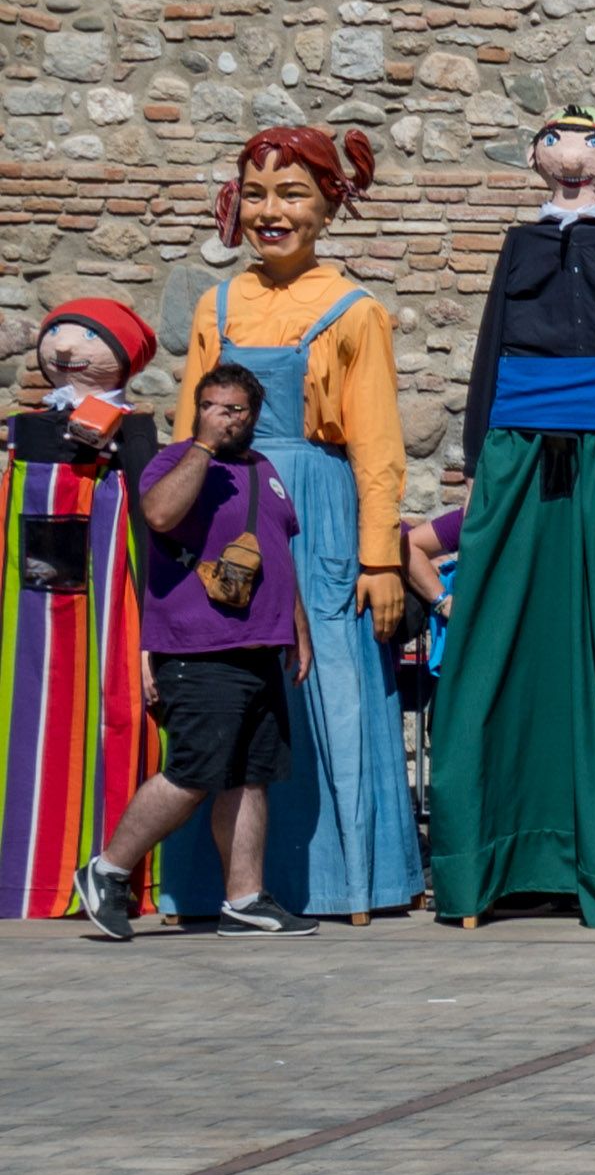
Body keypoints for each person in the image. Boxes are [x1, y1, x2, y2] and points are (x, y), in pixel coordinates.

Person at [430, 108, 595, 928]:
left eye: (592, 146)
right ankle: (492, 860)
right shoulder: (521, 242)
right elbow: (489, 350)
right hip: (518, 446)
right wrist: (478, 466)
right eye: (558, 144)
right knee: (502, 635)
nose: (572, 160)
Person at [163, 126, 412, 923]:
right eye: (259, 193)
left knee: (325, 681)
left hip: (316, 515)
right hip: (223, 510)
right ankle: (216, 886)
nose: (272, 212)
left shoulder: (354, 311)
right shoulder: (218, 304)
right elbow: (185, 435)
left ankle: (344, 883)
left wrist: (378, 559)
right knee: (228, 682)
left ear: (331, 205)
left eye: (294, 193)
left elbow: (377, 447)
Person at [79, 369, 307, 935]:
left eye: (235, 409)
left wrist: (297, 628)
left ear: (253, 414)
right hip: (200, 649)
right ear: (199, 409)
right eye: (213, 406)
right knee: (193, 773)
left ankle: (244, 899)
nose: (225, 417)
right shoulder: (174, 461)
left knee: (250, 776)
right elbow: (157, 516)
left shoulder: (266, 471)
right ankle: (107, 870)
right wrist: (203, 446)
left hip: (258, 650)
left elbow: (278, 553)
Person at [9, 299, 156, 922]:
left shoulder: (131, 427)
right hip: (29, 597)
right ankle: (24, 874)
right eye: (56, 337)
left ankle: (106, 864)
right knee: (24, 720)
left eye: (84, 338)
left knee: (114, 711)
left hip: (108, 587)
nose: (65, 349)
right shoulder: (32, 423)